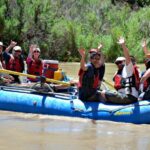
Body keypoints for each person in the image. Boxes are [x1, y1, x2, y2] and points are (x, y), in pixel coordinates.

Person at [101, 37, 140, 104]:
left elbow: (128, 58)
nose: (118, 64)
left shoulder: (128, 68)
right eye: (117, 63)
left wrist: (123, 45)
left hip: (129, 97)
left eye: (120, 62)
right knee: (101, 92)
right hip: (122, 95)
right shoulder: (117, 73)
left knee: (103, 93)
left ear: (125, 61)